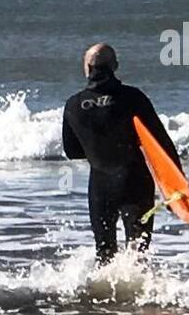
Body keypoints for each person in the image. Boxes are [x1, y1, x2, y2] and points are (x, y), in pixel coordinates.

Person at [62, 43, 182, 265]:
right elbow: (161, 142)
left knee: (104, 253)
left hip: (100, 187)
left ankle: (106, 296)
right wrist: (179, 188)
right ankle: (138, 296)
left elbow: (72, 151)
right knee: (138, 254)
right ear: (115, 66)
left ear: (87, 68)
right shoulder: (133, 98)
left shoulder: (74, 105)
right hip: (136, 183)